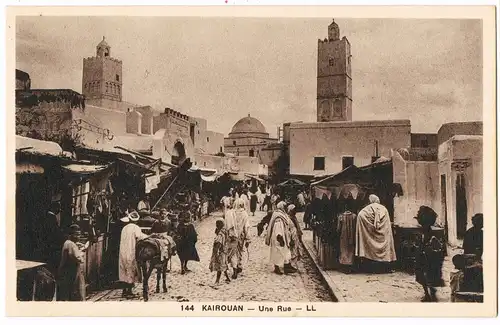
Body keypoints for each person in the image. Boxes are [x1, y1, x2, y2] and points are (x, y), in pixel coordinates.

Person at [414, 206, 445, 302]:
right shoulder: (426, 231)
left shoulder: (426, 232)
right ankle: (429, 292)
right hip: (427, 256)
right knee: (426, 275)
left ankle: (429, 292)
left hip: (427, 256)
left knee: (425, 274)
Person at [119, 211, 148, 298]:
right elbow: (140, 237)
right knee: (131, 269)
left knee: (123, 270)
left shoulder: (124, 228)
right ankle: (129, 291)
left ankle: (124, 290)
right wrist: (148, 236)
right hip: (131, 251)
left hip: (123, 251)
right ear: (136, 220)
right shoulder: (136, 227)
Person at [265, 201, 297, 275]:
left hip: (280, 236)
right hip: (278, 237)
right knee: (278, 253)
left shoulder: (279, 214)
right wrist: (280, 238)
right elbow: (277, 228)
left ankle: (287, 266)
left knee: (284, 252)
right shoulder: (279, 217)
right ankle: (278, 268)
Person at [57, 224, 87, 301]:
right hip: (71, 272)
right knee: (75, 292)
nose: (78, 237)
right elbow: (79, 259)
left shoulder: (68, 243)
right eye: (76, 234)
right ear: (70, 234)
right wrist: (82, 251)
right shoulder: (71, 244)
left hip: (67, 271)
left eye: (79, 234)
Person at [225, 198, 251, 279]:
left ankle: (235, 268)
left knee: (233, 253)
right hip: (241, 237)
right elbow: (247, 227)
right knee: (239, 251)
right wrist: (248, 239)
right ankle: (238, 266)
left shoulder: (230, 213)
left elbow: (227, 226)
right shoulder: (245, 214)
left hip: (231, 236)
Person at [337, 196, 357, 271]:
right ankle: (350, 266)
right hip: (352, 235)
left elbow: (338, 228)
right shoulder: (354, 216)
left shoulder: (341, 216)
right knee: (351, 250)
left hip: (343, 235)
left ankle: (344, 266)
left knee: (344, 250)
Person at [209, 219, 231, 285]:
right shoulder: (225, 232)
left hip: (220, 252)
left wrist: (216, 253)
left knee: (219, 266)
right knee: (224, 265)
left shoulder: (220, 235)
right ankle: (227, 278)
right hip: (224, 251)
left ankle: (217, 281)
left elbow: (218, 244)